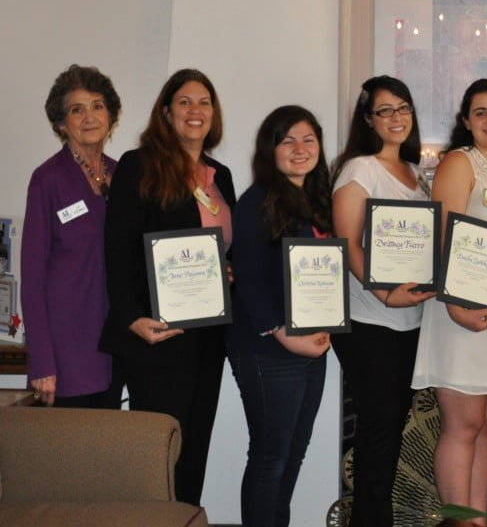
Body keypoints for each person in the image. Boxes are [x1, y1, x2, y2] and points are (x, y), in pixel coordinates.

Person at [101, 68, 234, 506]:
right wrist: (130, 318)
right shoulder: (139, 165)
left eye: (204, 102)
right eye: (185, 102)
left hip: (209, 339)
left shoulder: (221, 175)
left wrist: (226, 271)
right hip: (157, 337)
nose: (195, 111)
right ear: (166, 111)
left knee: (195, 452)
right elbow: (117, 249)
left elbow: (222, 248)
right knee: (158, 457)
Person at [411, 79, 487, 523]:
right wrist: (456, 305)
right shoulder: (459, 163)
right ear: (466, 121)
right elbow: (443, 236)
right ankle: (461, 521)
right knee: (462, 426)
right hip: (460, 310)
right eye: (480, 112)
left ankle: (478, 519)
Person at [330, 76, 435, 527]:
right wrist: (383, 292)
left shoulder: (417, 175)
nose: (396, 118)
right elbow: (346, 242)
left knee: (390, 433)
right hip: (370, 320)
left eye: (403, 108)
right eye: (385, 110)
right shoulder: (360, 169)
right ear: (368, 119)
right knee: (378, 432)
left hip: (410, 323)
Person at [229, 105, 333, 527]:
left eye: (308, 139)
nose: (299, 148)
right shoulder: (256, 201)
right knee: (270, 457)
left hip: (312, 349)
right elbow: (249, 279)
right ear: (269, 149)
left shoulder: (319, 201)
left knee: (294, 453)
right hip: (268, 348)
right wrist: (284, 333)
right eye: (287, 140)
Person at [22, 64, 124, 408]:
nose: (90, 116)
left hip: (117, 345)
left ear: (110, 115)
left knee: (109, 454)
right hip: (68, 350)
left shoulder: (125, 175)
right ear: (61, 122)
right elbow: (33, 279)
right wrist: (42, 361)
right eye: (77, 109)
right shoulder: (47, 179)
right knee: (72, 455)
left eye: (97, 105)